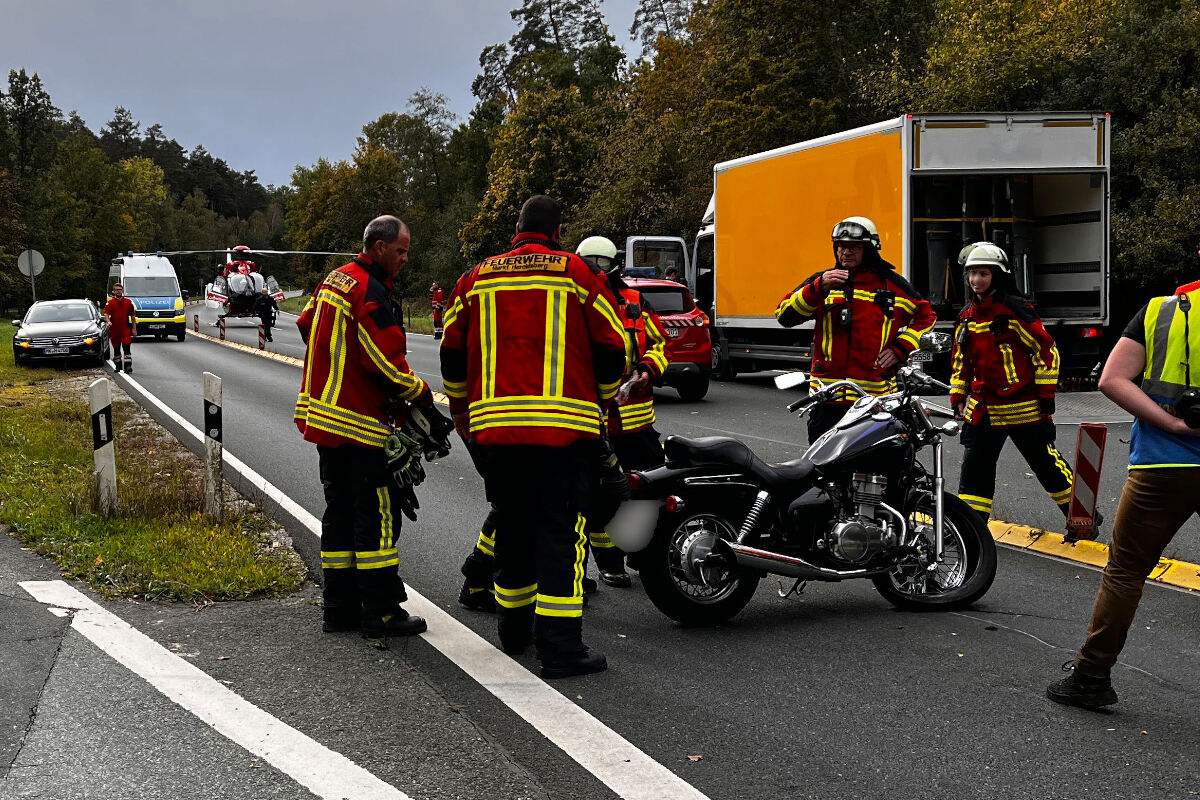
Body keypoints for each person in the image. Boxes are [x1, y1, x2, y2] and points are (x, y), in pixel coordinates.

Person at [440, 195, 627, 679]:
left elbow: (452, 351)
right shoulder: (575, 273)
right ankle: (560, 649)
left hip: (495, 434)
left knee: (513, 529)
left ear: (516, 229)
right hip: (564, 434)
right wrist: (604, 400)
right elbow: (612, 345)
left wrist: (462, 410)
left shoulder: (476, 277)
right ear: (559, 230)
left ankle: (514, 630)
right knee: (559, 536)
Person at [1047, 268, 1200, 710]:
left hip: (1162, 464)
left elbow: (1112, 380)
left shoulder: (1161, 311)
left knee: (1127, 572)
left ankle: (1090, 676)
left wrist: (1171, 422)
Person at [295, 215, 430, 639]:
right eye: (401, 250)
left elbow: (304, 324)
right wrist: (421, 393)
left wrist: (338, 363)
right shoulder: (370, 293)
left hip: (323, 420)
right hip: (360, 426)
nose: (406, 259)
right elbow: (386, 364)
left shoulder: (335, 278)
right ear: (378, 247)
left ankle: (339, 608)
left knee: (339, 515)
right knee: (378, 517)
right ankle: (382, 611)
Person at [775, 216, 937, 442]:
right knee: (823, 470)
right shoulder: (823, 282)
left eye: (854, 247)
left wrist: (901, 348)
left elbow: (926, 317)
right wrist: (818, 288)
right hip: (827, 401)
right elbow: (784, 315)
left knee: (873, 470)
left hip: (873, 402)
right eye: (841, 246)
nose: (845, 252)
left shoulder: (893, 285)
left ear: (870, 249)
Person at [949, 242, 1073, 525]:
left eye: (983, 274)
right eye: (971, 274)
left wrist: (1045, 395)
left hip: (1023, 407)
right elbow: (961, 361)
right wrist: (957, 394)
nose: (976, 281)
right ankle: (972, 528)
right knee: (975, 470)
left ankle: (1081, 517)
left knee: (1045, 464)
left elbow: (1046, 351)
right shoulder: (966, 316)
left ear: (998, 275)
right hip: (983, 409)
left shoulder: (1016, 310)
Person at [576, 235, 669, 587]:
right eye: (592, 267)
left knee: (649, 493)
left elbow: (660, 344)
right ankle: (605, 561)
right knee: (591, 499)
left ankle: (647, 555)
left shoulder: (634, 301)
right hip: (591, 422)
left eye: (604, 267)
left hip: (637, 425)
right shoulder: (573, 303)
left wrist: (648, 369)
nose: (599, 274)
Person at [103, 283, 137, 373]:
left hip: (125, 328)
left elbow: (133, 316)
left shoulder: (128, 302)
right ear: (114, 291)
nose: (118, 291)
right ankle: (118, 366)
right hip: (114, 329)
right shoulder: (110, 302)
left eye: (120, 289)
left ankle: (128, 366)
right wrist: (108, 321)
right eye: (117, 290)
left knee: (126, 347)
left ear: (122, 291)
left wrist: (134, 329)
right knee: (116, 348)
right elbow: (106, 313)